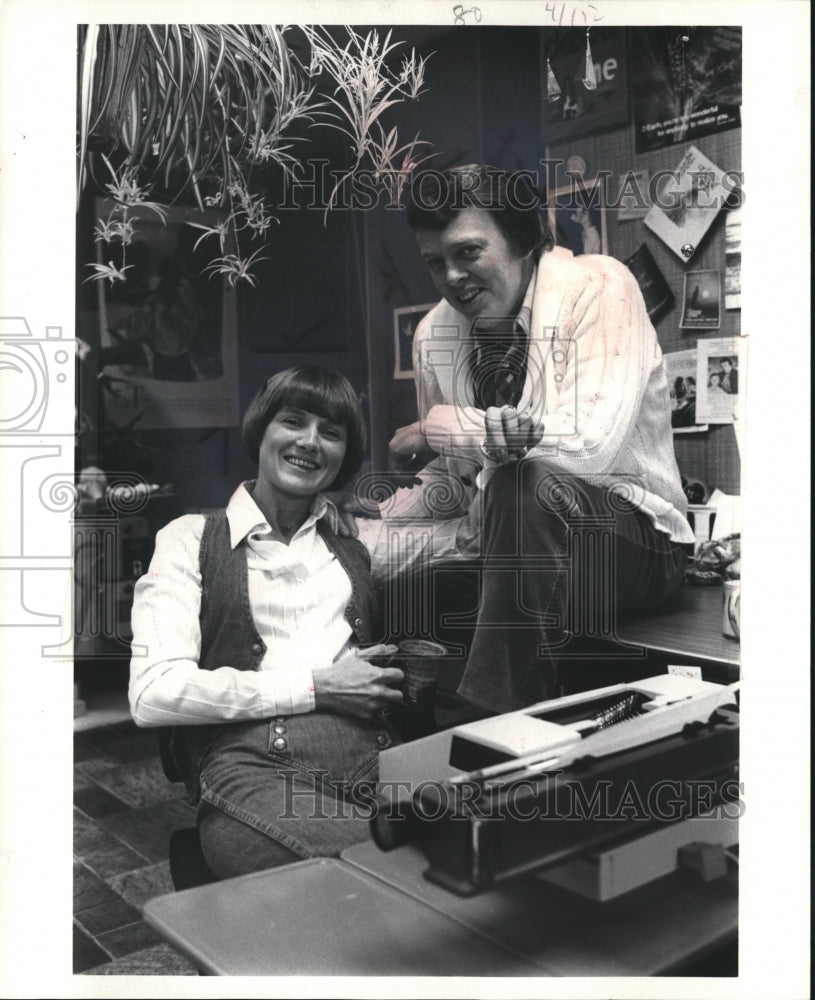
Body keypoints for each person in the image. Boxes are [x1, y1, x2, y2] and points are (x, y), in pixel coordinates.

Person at [358, 165, 695, 714]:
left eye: (468, 252)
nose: (452, 277)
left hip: (639, 545)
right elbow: (456, 481)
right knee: (394, 595)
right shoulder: (432, 336)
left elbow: (591, 448)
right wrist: (377, 521)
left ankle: (491, 732)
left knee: (527, 483)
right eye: (435, 263)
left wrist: (446, 425)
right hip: (512, 548)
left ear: (523, 239)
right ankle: (389, 760)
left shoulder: (600, 286)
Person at [129, 366, 404, 879]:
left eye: (332, 431)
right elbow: (153, 693)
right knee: (407, 873)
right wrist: (315, 688)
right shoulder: (190, 538)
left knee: (484, 851)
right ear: (261, 429)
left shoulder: (357, 542)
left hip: (379, 759)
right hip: (255, 771)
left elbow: (471, 534)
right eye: (293, 421)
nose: (310, 442)